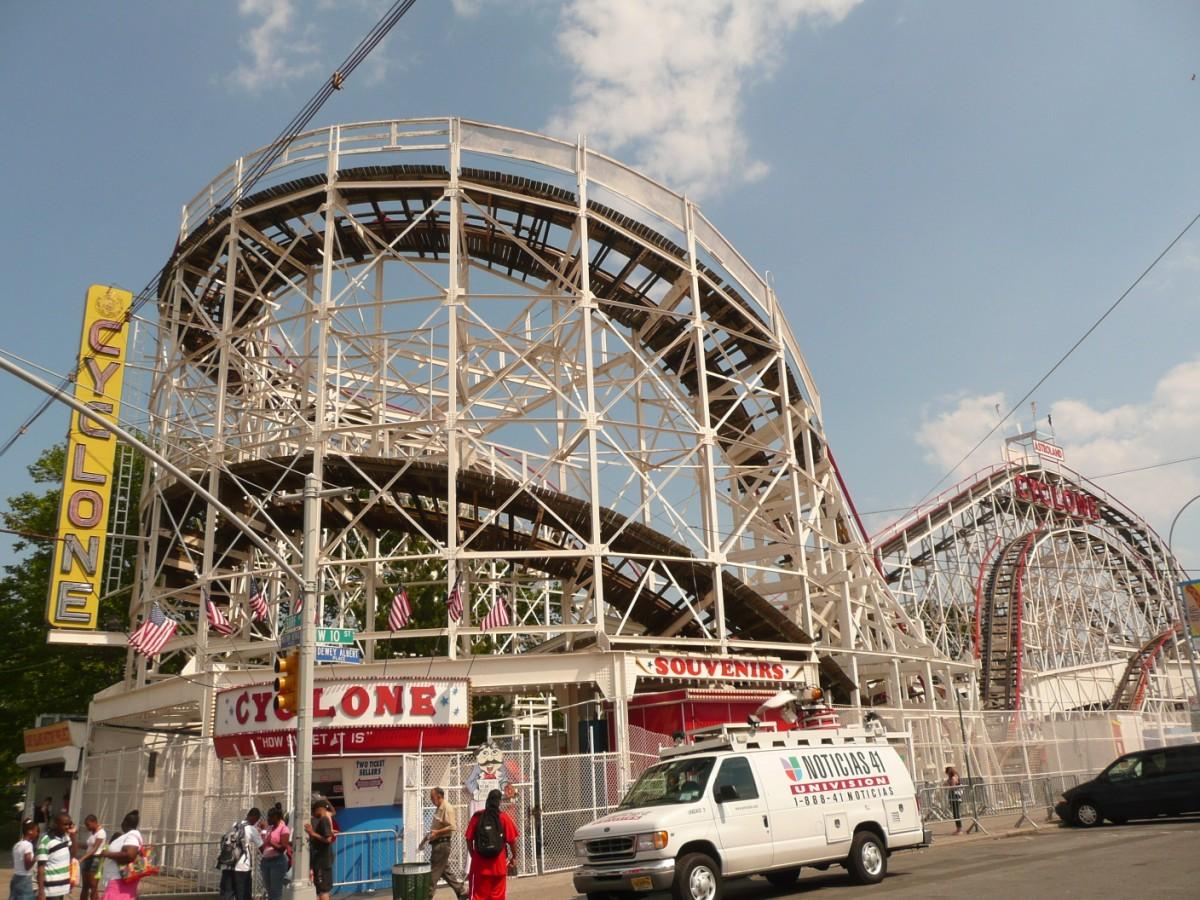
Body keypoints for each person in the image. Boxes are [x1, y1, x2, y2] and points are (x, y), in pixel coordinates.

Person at [463, 790, 517, 900]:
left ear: (487, 800)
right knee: (498, 897)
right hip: (499, 866)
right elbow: (512, 840)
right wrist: (514, 857)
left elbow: (468, 839)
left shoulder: (477, 817)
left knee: (478, 896)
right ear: (499, 802)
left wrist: (474, 855)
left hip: (479, 866)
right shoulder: (503, 818)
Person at [420, 788, 467, 900]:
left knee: (433, 874)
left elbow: (452, 827)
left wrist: (437, 832)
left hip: (442, 845)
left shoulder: (447, 808)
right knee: (445, 872)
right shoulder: (438, 809)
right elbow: (434, 829)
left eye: (432, 797)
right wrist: (424, 841)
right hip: (437, 844)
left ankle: (427, 896)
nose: (431, 800)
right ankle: (461, 892)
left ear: (439, 796)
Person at [97, 810, 143, 900]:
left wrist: (107, 854)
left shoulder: (132, 836)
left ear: (125, 822)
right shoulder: (127, 836)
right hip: (118, 881)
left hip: (119, 882)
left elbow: (130, 855)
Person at [219, 809, 262, 900]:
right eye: (257, 820)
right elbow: (262, 847)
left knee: (227, 895)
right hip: (242, 868)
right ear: (255, 818)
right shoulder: (251, 829)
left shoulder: (234, 825)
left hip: (228, 865)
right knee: (243, 895)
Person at [35, 812, 75, 900]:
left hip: (62, 888)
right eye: (65, 824)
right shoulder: (46, 841)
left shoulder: (66, 837)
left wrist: (73, 836)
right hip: (51, 890)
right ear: (56, 824)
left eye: (70, 824)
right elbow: (40, 867)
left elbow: (73, 854)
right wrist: (41, 891)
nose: (68, 827)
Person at [303, 800, 335, 900]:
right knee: (319, 890)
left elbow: (328, 839)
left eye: (314, 811)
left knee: (323, 890)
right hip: (320, 861)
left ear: (319, 809)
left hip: (323, 861)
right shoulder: (323, 820)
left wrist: (312, 833)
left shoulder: (324, 819)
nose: (313, 814)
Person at [259, 808, 290, 900]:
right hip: (265, 861)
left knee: (276, 892)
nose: (268, 819)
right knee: (269, 891)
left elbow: (283, 848)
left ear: (277, 817)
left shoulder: (284, 829)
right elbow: (264, 844)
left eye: (270, 817)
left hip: (277, 862)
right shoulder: (270, 828)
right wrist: (262, 830)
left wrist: (271, 842)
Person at [78, 816, 107, 900]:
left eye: (88, 825)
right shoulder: (92, 833)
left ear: (94, 822)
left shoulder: (101, 833)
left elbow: (95, 849)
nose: (87, 827)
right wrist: (77, 844)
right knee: (85, 886)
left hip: (95, 859)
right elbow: (89, 846)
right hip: (87, 858)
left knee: (93, 886)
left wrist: (82, 858)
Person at [11, 819, 38, 900]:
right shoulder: (28, 845)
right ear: (30, 831)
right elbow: (27, 865)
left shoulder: (17, 845)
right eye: (35, 831)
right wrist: (36, 856)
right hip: (25, 879)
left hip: (16, 877)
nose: (36, 833)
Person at [945, 766, 964, 835]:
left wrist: (948, 786)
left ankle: (959, 829)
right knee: (955, 814)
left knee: (956, 814)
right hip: (954, 797)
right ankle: (958, 828)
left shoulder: (953, 777)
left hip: (955, 797)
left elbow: (952, 787)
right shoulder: (956, 776)